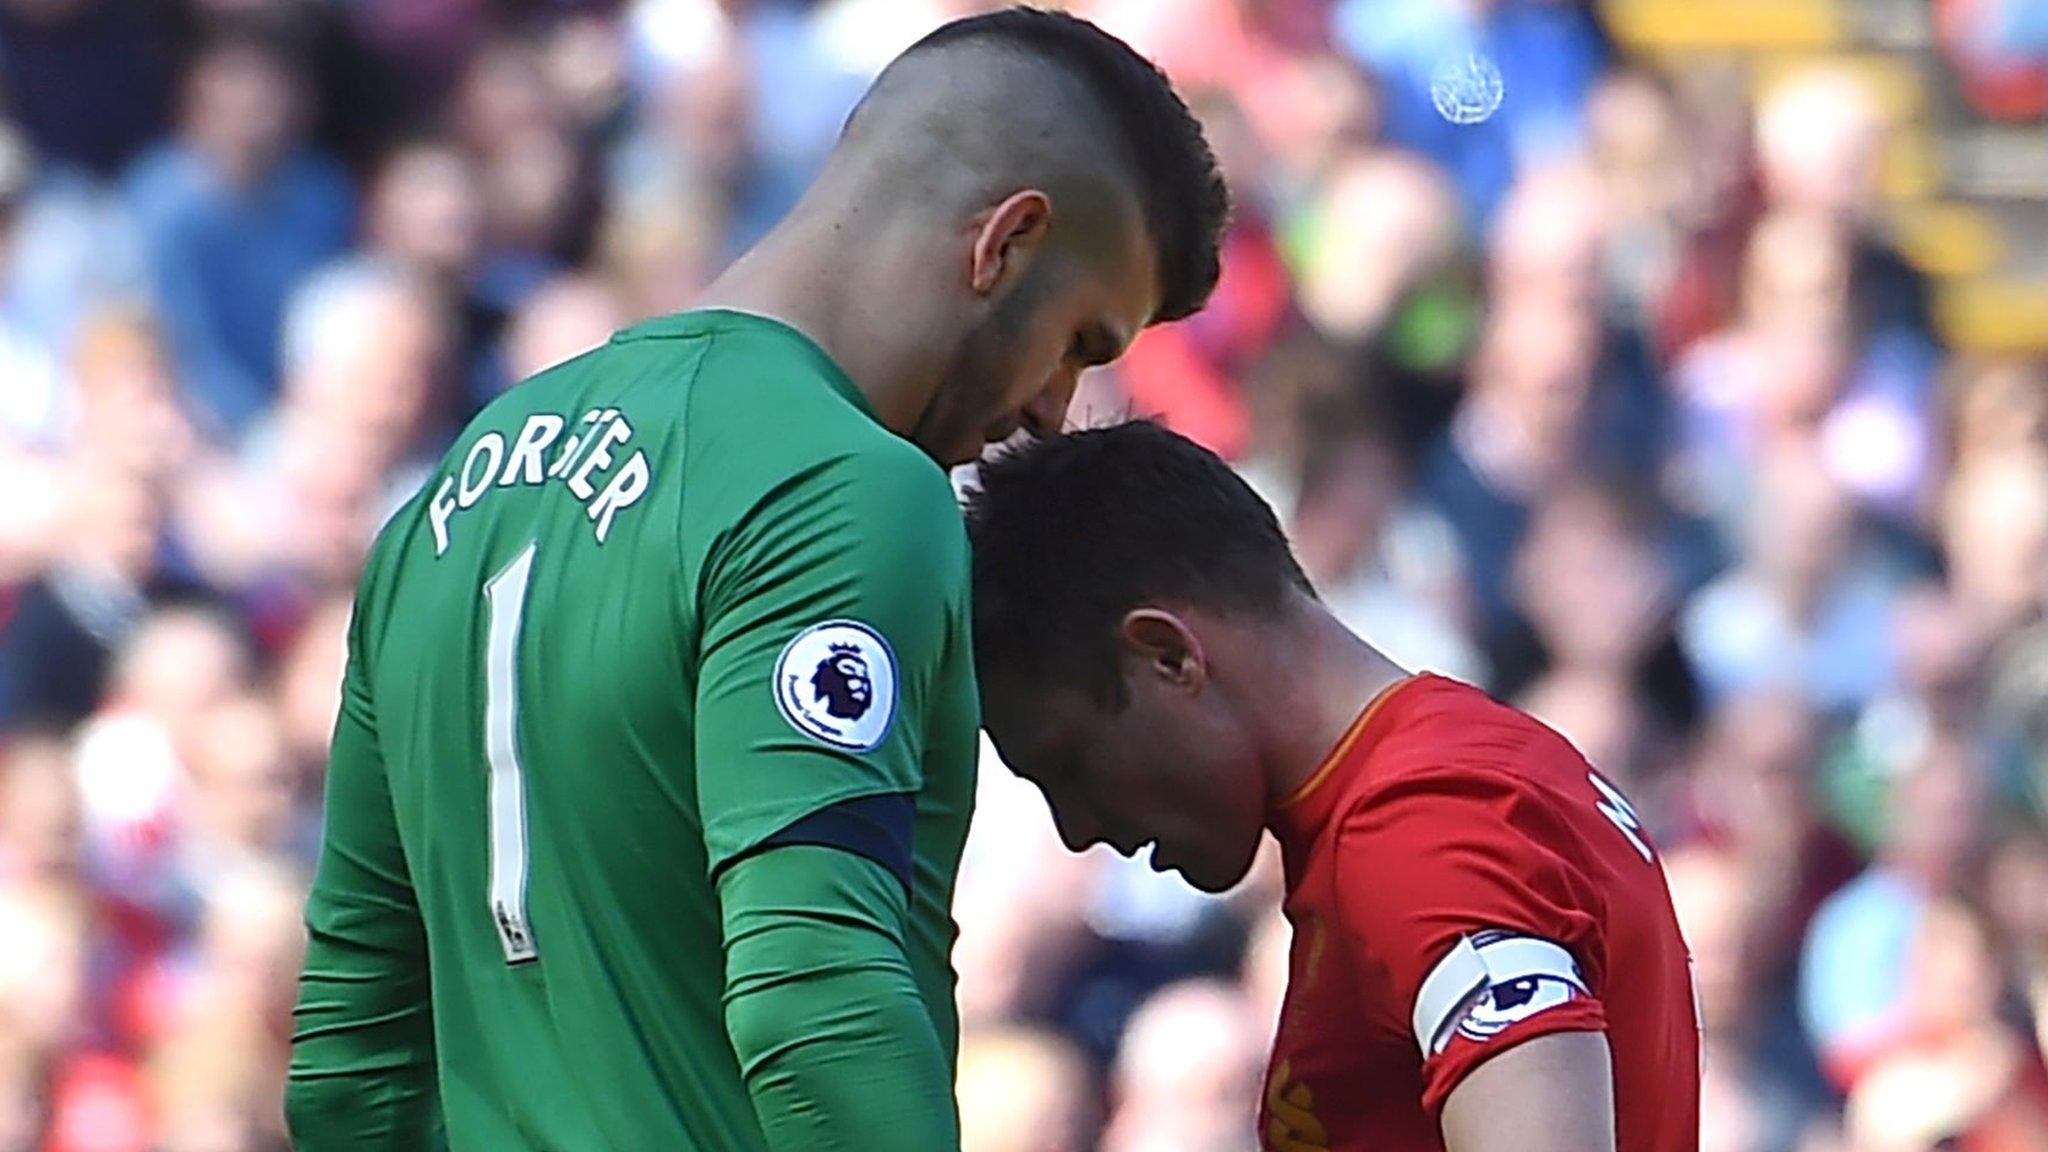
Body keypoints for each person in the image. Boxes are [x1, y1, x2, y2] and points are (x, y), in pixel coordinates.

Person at [284, 8, 1226, 1151]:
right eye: (1079, 340)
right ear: (1006, 243)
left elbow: (351, 1059)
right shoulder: (845, 487)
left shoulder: (454, 492)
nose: (1050, 409)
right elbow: (814, 999)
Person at [965, 421, 1699, 1152]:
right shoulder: (1474, 771)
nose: (1078, 827)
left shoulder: (1428, 828)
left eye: (1073, 762)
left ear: (1168, 657)